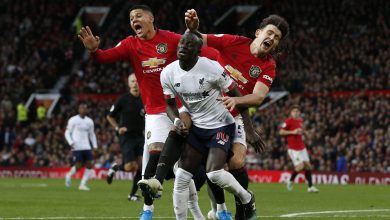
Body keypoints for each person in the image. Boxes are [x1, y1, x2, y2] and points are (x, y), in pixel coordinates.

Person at [78, 5, 217, 219]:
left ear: (151, 18)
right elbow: (106, 58)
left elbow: (197, 47)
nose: (134, 19)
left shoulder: (170, 39)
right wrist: (94, 51)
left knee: (185, 170)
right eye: (131, 17)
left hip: (180, 108)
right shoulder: (130, 44)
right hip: (154, 111)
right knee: (155, 150)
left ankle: (199, 211)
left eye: (139, 15)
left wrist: (194, 33)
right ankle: (148, 211)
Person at [183, 10, 290, 219]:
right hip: (208, 115)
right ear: (258, 33)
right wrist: (193, 27)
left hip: (235, 116)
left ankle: (243, 205)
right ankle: (221, 210)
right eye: (270, 33)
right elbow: (197, 39)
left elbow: (258, 97)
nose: (272, 38)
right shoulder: (234, 42)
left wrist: (236, 101)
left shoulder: (268, 65)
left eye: (277, 38)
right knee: (212, 166)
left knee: (237, 163)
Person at [160, 32, 262, 220]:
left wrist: (249, 129)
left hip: (221, 125)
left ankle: (246, 197)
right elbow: (169, 105)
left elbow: (237, 94)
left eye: (190, 45)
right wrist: (176, 120)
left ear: (199, 51)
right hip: (198, 127)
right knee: (181, 177)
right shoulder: (167, 72)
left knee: (214, 174)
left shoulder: (213, 68)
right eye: (182, 43)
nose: (183, 46)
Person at [106, 73, 144, 201]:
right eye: (132, 81)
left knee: (142, 166)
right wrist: (117, 128)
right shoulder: (123, 99)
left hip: (141, 136)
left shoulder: (144, 99)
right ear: (129, 84)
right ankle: (116, 167)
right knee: (129, 167)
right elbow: (110, 116)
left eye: (137, 81)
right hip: (127, 137)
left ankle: (132, 194)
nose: (135, 84)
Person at [279, 105, 319, 193]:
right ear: (291, 113)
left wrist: (307, 133)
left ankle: (310, 187)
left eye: (297, 111)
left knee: (308, 166)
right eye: (294, 111)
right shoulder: (288, 121)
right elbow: (281, 132)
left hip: (302, 147)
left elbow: (302, 131)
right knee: (300, 167)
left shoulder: (301, 121)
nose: (296, 113)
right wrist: (292, 132)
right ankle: (290, 181)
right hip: (293, 149)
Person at [64, 103, 98, 191]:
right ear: (78, 110)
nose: (83, 110)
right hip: (77, 146)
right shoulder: (73, 120)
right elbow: (67, 132)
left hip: (86, 146)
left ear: (87, 110)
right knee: (78, 165)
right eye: (81, 108)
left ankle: (82, 184)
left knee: (89, 164)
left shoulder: (89, 121)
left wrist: (95, 146)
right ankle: (68, 175)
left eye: (84, 108)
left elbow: (92, 134)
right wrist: (71, 142)